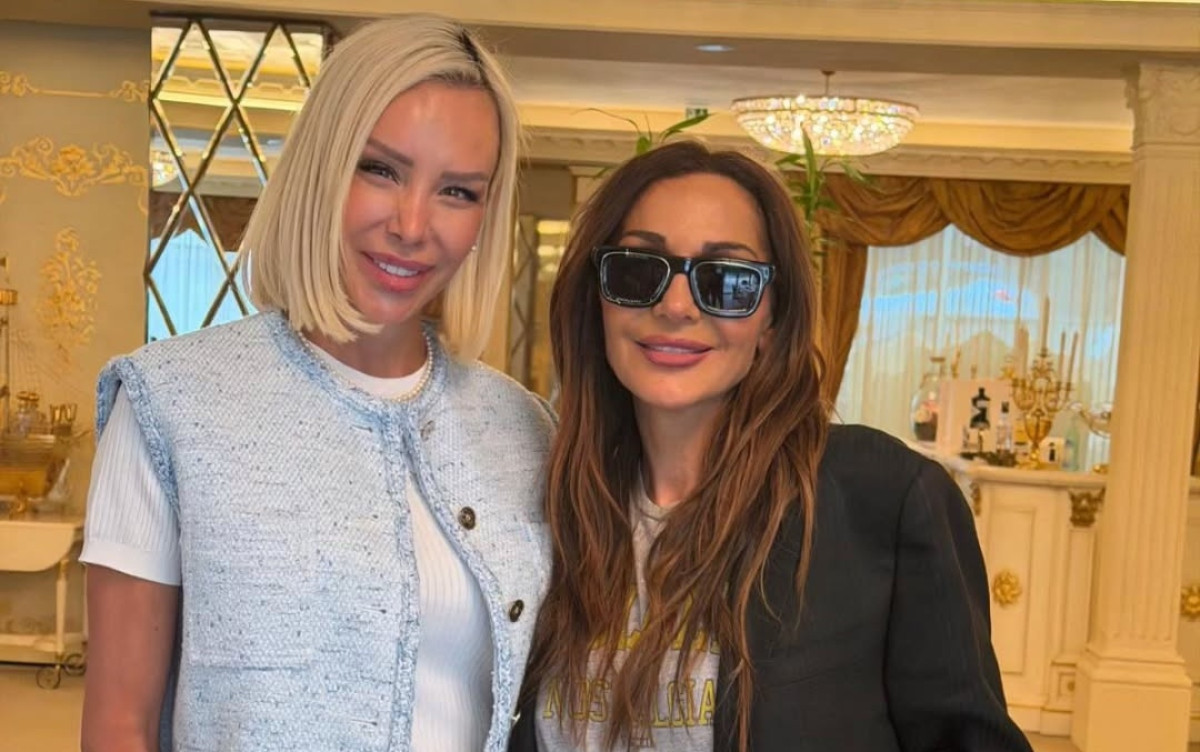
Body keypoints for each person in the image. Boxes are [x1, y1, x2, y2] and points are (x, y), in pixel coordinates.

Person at [80, 15, 553, 752]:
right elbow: (120, 725)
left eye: (458, 191)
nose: (412, 225)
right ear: (321, 167)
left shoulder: (523, 430)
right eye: (381, 170)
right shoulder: (171, 403)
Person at [510, 141, 1032, 752]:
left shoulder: (883, 500)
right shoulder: (553, 504)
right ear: (597, 297)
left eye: (727, 280)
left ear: (772, 319)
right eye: (638, 269)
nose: (675, 306)